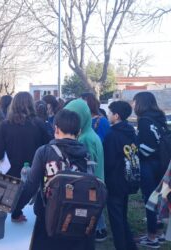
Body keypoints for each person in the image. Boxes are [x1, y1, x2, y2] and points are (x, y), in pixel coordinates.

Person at [14, 109, 94, 250]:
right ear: (79, 131)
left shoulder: (44, 151)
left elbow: (31, 185)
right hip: (77, 218)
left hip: (48, 217)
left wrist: (16, 210)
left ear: (56, 128)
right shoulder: (86, 154)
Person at [0, 91, 51, 222]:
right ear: (31, 104)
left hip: (11, 176)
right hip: (35, 175)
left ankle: (15, 215)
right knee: (35, 215)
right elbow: (48, 147)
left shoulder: (4, 125)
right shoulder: (39, 124)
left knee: (7, 213)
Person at [64, 99, 107, 241]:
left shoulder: (85, 139)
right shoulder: (89, 133)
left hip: (92, 186)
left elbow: (85, 169)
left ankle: (99, 231)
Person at [133, 92, 168, 248]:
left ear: (141, 103)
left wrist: (134, 148)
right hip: (162, 164)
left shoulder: (144, 121)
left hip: (149, 165)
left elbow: (147, 149)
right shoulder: (159, 117)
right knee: (160, 199)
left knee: (150, 201)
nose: (133, 105)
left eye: (134, 102)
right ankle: (159, 233)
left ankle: (151, 238)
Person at [104, 101, 138, 250]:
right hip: (128, 179)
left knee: (116, 219)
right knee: (122, 217)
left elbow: (109, 162)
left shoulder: (112, 135)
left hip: (115, 181)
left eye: (110, 113)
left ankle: (122, 246)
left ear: (116, 116)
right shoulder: (130, 131)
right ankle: (130, 245)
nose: (108, 115)